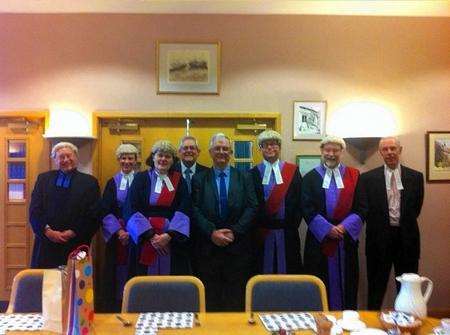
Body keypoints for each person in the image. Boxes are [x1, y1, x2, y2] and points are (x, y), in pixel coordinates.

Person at [191, 133, 258, 311]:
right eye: (217, 148)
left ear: (231, 152)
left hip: (237, 248)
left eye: (225, 149)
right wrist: (211, 232)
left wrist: (234, 231)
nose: (221, 152)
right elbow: (194, 209)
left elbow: (252, 207)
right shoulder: (199, 178)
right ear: (210, 152)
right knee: (209, 299)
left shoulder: (244, 177)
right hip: (208, 248)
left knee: (235, 299)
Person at [359, 137, 424, 310]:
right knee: (376, 287)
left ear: (400, 150)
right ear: (380, 152)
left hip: (407, 240)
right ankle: (372, 323)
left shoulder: (416, 177)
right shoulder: (367, 178)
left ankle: (407, 322)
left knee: (408, 289)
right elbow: (365, 210)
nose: (390, 153)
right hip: (378, 240)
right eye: (385, 149)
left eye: (393, 148)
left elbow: (416, 209)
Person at [301, 136, 363, 310]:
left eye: (335, 150)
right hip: (319, 242)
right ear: (321, 151)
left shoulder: (354, 176)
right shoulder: (310, 178)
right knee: (319, 282)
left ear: (341, 152)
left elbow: (362, 207)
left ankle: (347, 321)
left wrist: (343, 227)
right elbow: (306, 208)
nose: (331, 154)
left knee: (348, 282)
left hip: (345, 240)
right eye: (327, 150)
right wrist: (327, 229)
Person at [29, 142, 101, 268]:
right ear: (55, 160)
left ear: (76, 157)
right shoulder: (43, 179)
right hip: (46, 243)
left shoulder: (90, 182)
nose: (66, 160)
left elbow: (94, 214)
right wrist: (48, 231)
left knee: (76, 282)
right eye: (61, 157)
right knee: (47, 284)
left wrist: (73, 232)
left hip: (77, 242)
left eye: (69, 156)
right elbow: (35, 210)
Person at [125, 140, 191, 276]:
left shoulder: (180, 180)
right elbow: (131, 207)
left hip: (171, 240)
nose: (163, 159)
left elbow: (185, 207)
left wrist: (169, 235)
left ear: (173, 160)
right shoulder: (140, 178)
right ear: (153, 157)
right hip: (144, 238)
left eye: (168, 156)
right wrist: (150, 235)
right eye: (160, 155)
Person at [249, 130, 303, 274]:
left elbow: (300, 201)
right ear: (260, 149)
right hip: (261, 234)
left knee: (288, 271)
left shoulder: (293, 171)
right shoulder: (252, 173)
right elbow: (250, 204)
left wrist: (291, 226)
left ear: (279, 147)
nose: (269, 148)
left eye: (273, 144)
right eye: (265, 145)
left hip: (287, 233)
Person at [100, 144, 138, 312]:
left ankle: (136, 303)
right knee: (116, 271)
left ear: (136, 161)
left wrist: (134, 230)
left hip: (137, 235)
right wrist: (120, 231)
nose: (127, 161)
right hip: (117, 236)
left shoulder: (143, 180)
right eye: (123, 158)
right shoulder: (112, 182)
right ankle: (116, 306)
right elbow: (106, 210)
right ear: (118, 160)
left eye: (130, 158)